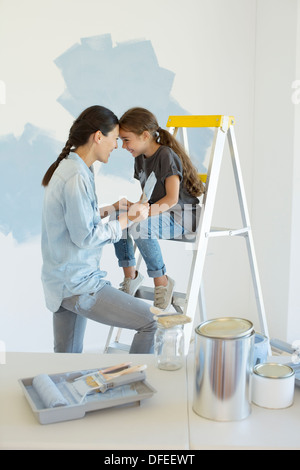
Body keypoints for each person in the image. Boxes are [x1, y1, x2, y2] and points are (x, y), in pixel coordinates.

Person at [41, 105, 156, 354]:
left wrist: (110, 208)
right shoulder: (76, 176)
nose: (117, 146)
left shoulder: (75, 168)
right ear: (98, 136)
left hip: (62, 282)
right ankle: (136, 390)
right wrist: (129, 218)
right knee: (150, 321)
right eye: (115, 139)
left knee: (66, 362)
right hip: (78, 284)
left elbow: (73, 220)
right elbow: (86, 236)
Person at [114, 107, 205, 310]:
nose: (122, 145)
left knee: (138, 226)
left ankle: (162, 282)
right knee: (119, 219)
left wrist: (140, 214)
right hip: (160, 213)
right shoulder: (139, 158)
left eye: (126, 139)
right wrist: (135, 209)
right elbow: (147, 194)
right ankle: (131, 276)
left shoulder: (166, 155)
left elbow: (172, 199)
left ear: (145, 135)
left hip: (183, 216)